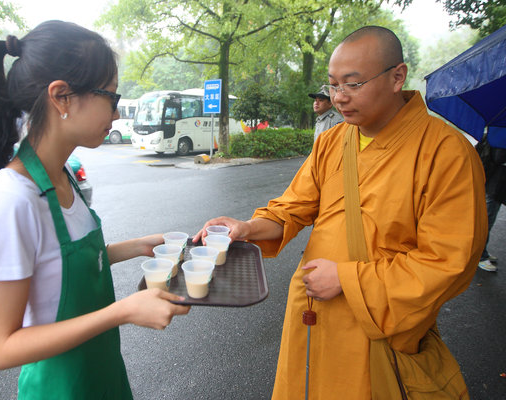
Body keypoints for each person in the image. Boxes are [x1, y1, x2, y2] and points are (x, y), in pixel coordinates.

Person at [195, 26, 487, 399]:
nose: (339, 98)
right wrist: (247, 228)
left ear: (398, 76)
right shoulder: (334, 141)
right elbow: (292, 209)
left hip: (378, 325)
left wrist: (348, 280)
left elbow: (449, 262)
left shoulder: (446, 153)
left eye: (353, 84)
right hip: (313, 313)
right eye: (333, 85)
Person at [0, 20, 190, 399]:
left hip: (103, 378)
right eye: (110, 97)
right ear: (62, 96)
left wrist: (136, 247)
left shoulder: (61, 175)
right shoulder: (12, 201)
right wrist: (122, 312)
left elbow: (59, 267)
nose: (115, 115)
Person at [478, 146, 506, 272]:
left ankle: (482, 253)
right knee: (486, 220)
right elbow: (498, 157)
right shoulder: (499, 136)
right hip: (495, 182)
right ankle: (480, 256)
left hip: (498, 183)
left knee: (488, 218)